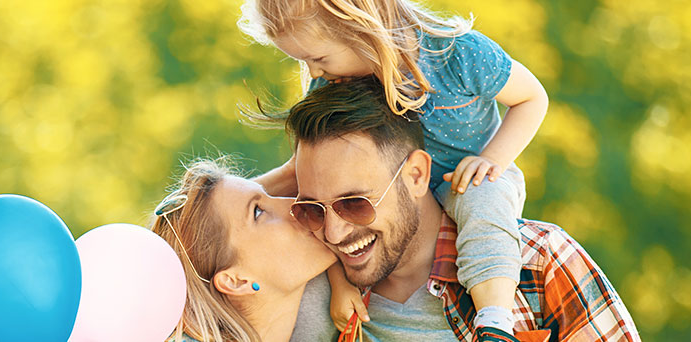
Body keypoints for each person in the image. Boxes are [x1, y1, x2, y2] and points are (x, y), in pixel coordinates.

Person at [240, 0, 551, 335]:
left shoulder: (459, 54)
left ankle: (495, 320)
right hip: (397, 208)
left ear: (360, 27)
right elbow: (319, 190)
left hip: (469, 178)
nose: (314, 72)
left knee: (482, 200)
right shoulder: (338, 81)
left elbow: (532, 98)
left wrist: (491, 160)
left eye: (318, 58)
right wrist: (340, 283)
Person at [282, 77, 638, 341]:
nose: (332, 232)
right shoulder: (309, 297)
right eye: (312, 210)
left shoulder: (541, 263)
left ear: (417, 175)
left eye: (354, 203)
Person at [146, 157, 337, 341]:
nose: (294, 202)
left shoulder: (349, 292)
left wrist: (290, 172)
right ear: (236, 281)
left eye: (271, 194)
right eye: (257, 212)